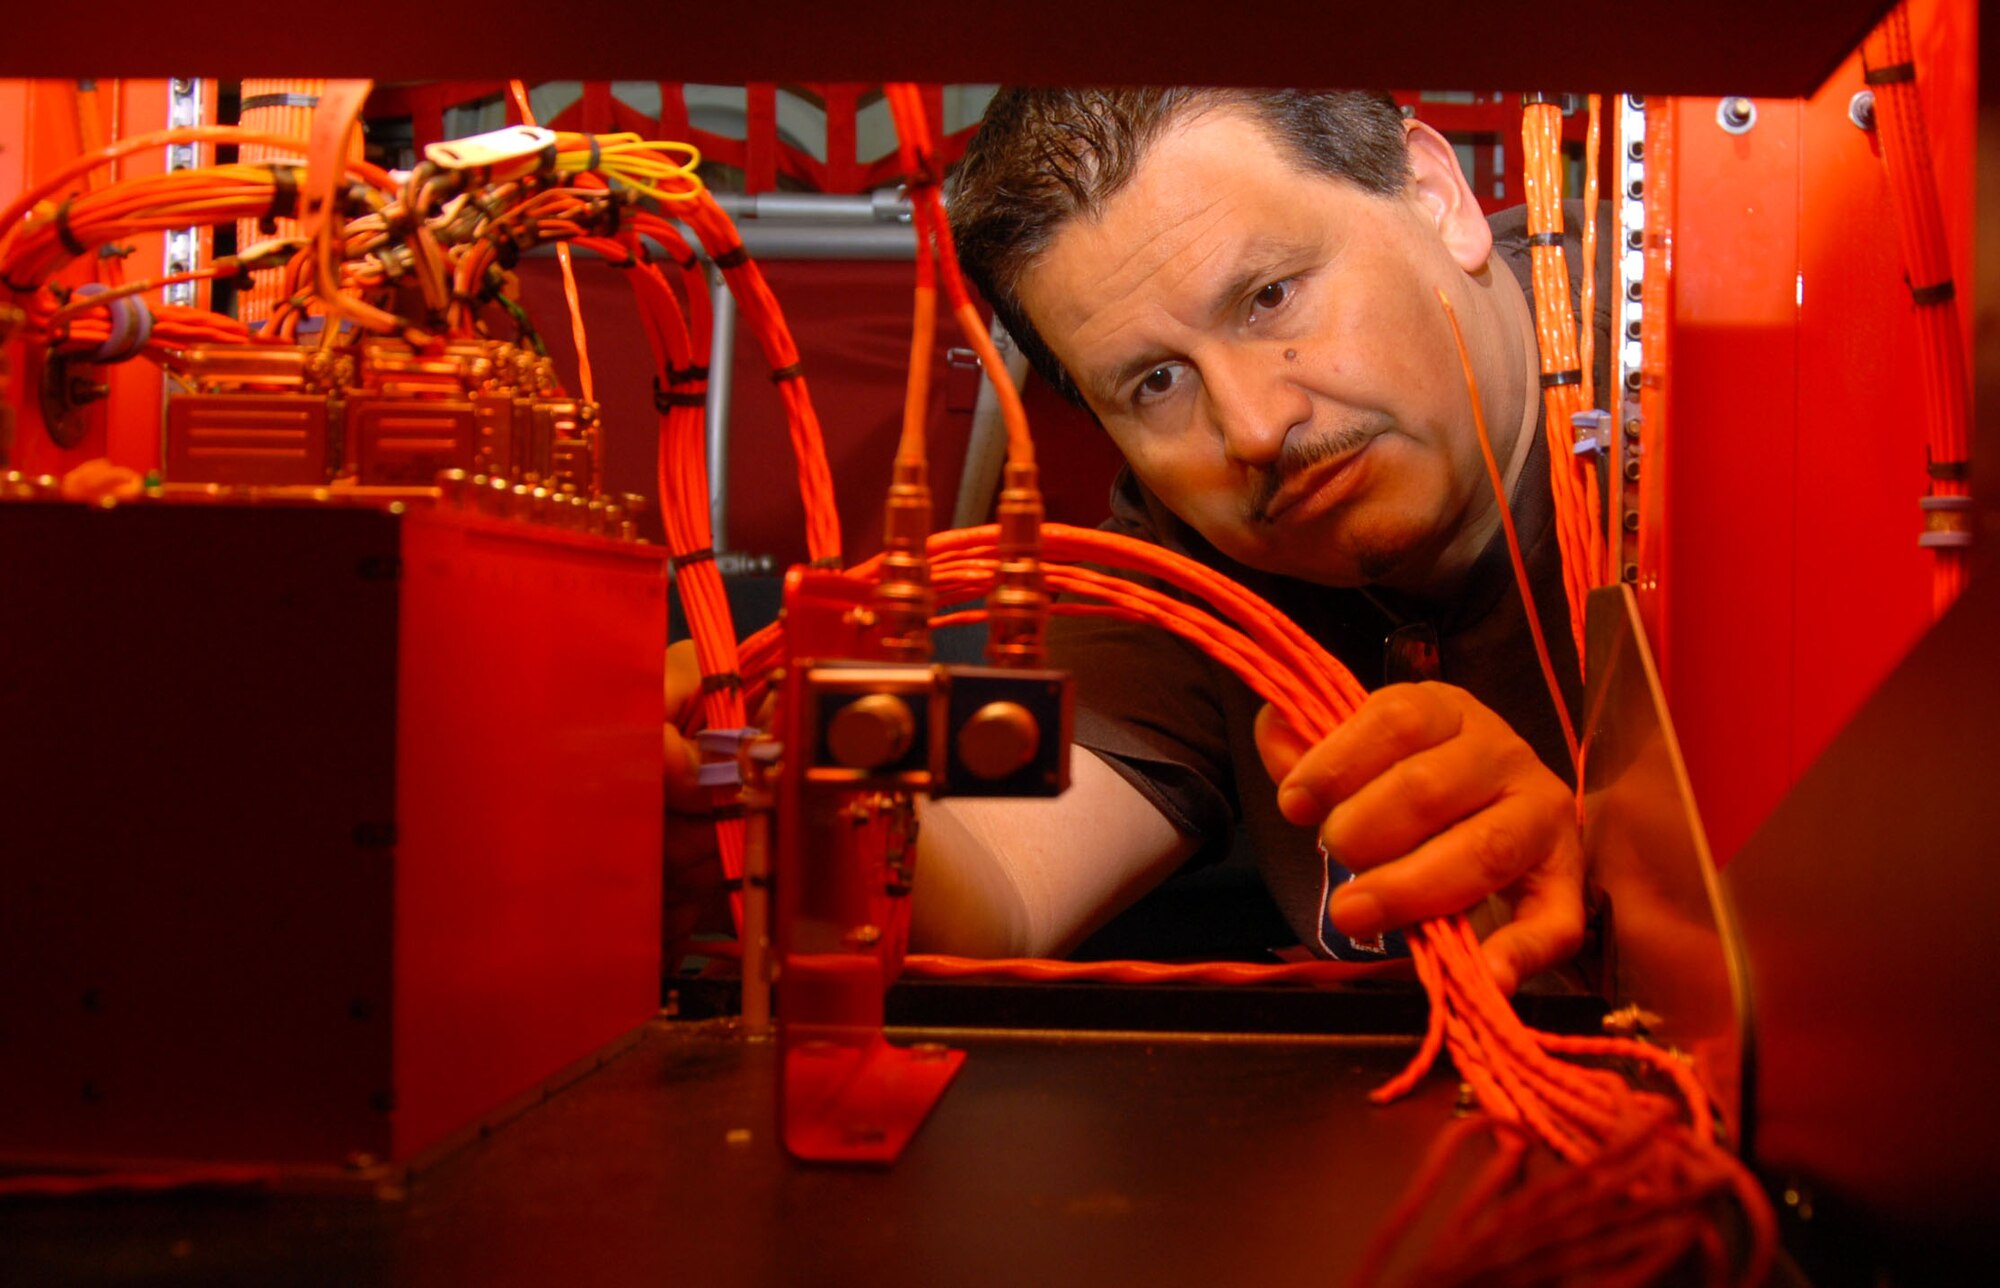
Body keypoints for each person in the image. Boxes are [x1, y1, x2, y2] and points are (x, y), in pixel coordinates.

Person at [669, 89, 1598, 994]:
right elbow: (1002, 887)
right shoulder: (1180, 556)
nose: (1253, 427)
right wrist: (782, 774)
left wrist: (1613, 899)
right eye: (1157, 383)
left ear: (1437, 198)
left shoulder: (1708, 349)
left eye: (1270, 297)